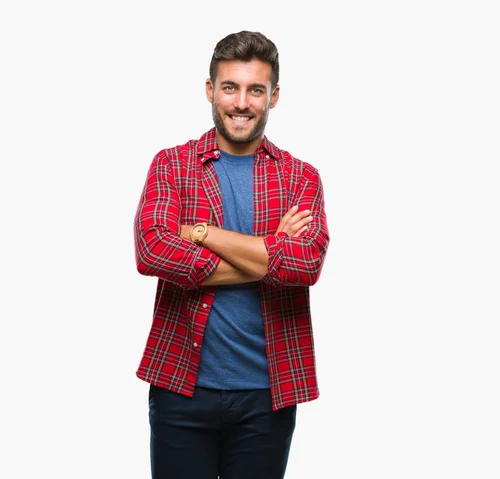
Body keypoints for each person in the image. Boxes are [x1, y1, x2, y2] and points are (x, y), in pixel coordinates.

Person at [133, 30, 330, 479]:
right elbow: (152, 252)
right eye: (230, 87)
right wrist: (267, 254)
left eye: (255, 90)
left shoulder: (301, 177)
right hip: (181, 385)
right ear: (210, 91)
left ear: (273, 97)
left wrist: (200, 233)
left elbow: (305, 265)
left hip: (267, 392)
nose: (242, 102)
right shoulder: (172, 165)